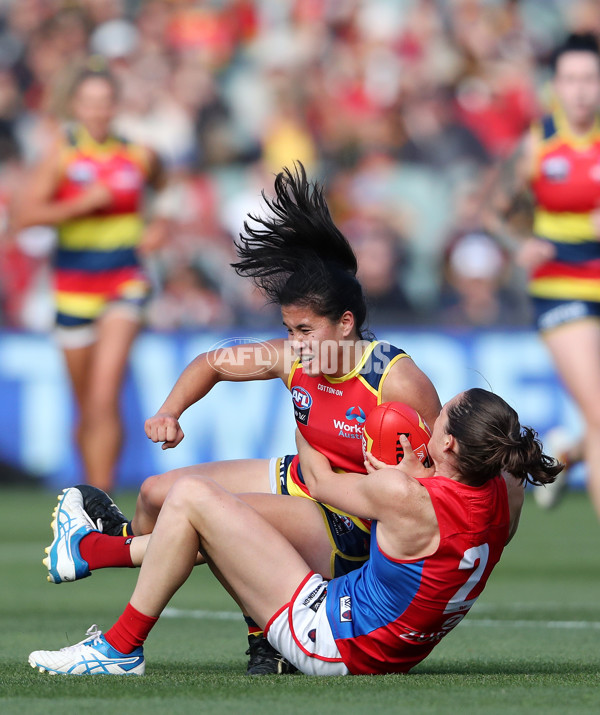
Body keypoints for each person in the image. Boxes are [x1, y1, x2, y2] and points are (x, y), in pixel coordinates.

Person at [47, 162, 441, 674]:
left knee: (214, 516)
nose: (296, 345)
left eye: (305, 330)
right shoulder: (291, 358)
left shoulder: (395, 379)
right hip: (305, 481)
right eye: (288, 330)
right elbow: (213, 363)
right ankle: (121, 547)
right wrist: (170, 411)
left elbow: (442, 470)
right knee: (153, 493)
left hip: (355, 521)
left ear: (346, 324)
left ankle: (107, 569)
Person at [28, 388, 561, 676]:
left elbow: (323, 480)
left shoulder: (405, 497)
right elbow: (446, 514)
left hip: (333, 641)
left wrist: (305, 397)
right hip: (385, 637)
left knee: (192, 496)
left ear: (448, 447)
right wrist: (412, 476)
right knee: (240, 515)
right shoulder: (506, 489)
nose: (427, 424)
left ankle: (119, 649)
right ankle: (94, 550)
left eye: (438, 419)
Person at [11, 67, 171, 493]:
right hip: (73, 289)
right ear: (77, 107)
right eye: (90, 102)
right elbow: (23, 218)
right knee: (85, 408)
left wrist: (159, 224)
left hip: (125, 282)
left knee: (104, 396)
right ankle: (88, 498)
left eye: (106, 101)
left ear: (115, 106)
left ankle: (101, 505)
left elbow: (164, 190)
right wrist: (80, 205)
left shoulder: (139, 155)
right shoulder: (61, 155)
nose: (99, 111)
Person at [488, 33, 600, 516]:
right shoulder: (539, 143)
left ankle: (568, 453)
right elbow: (494, 212)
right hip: (561, 287)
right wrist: (521, 243)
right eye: (571, 79)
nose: (580, 90)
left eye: (590, 79)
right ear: (556, 85)